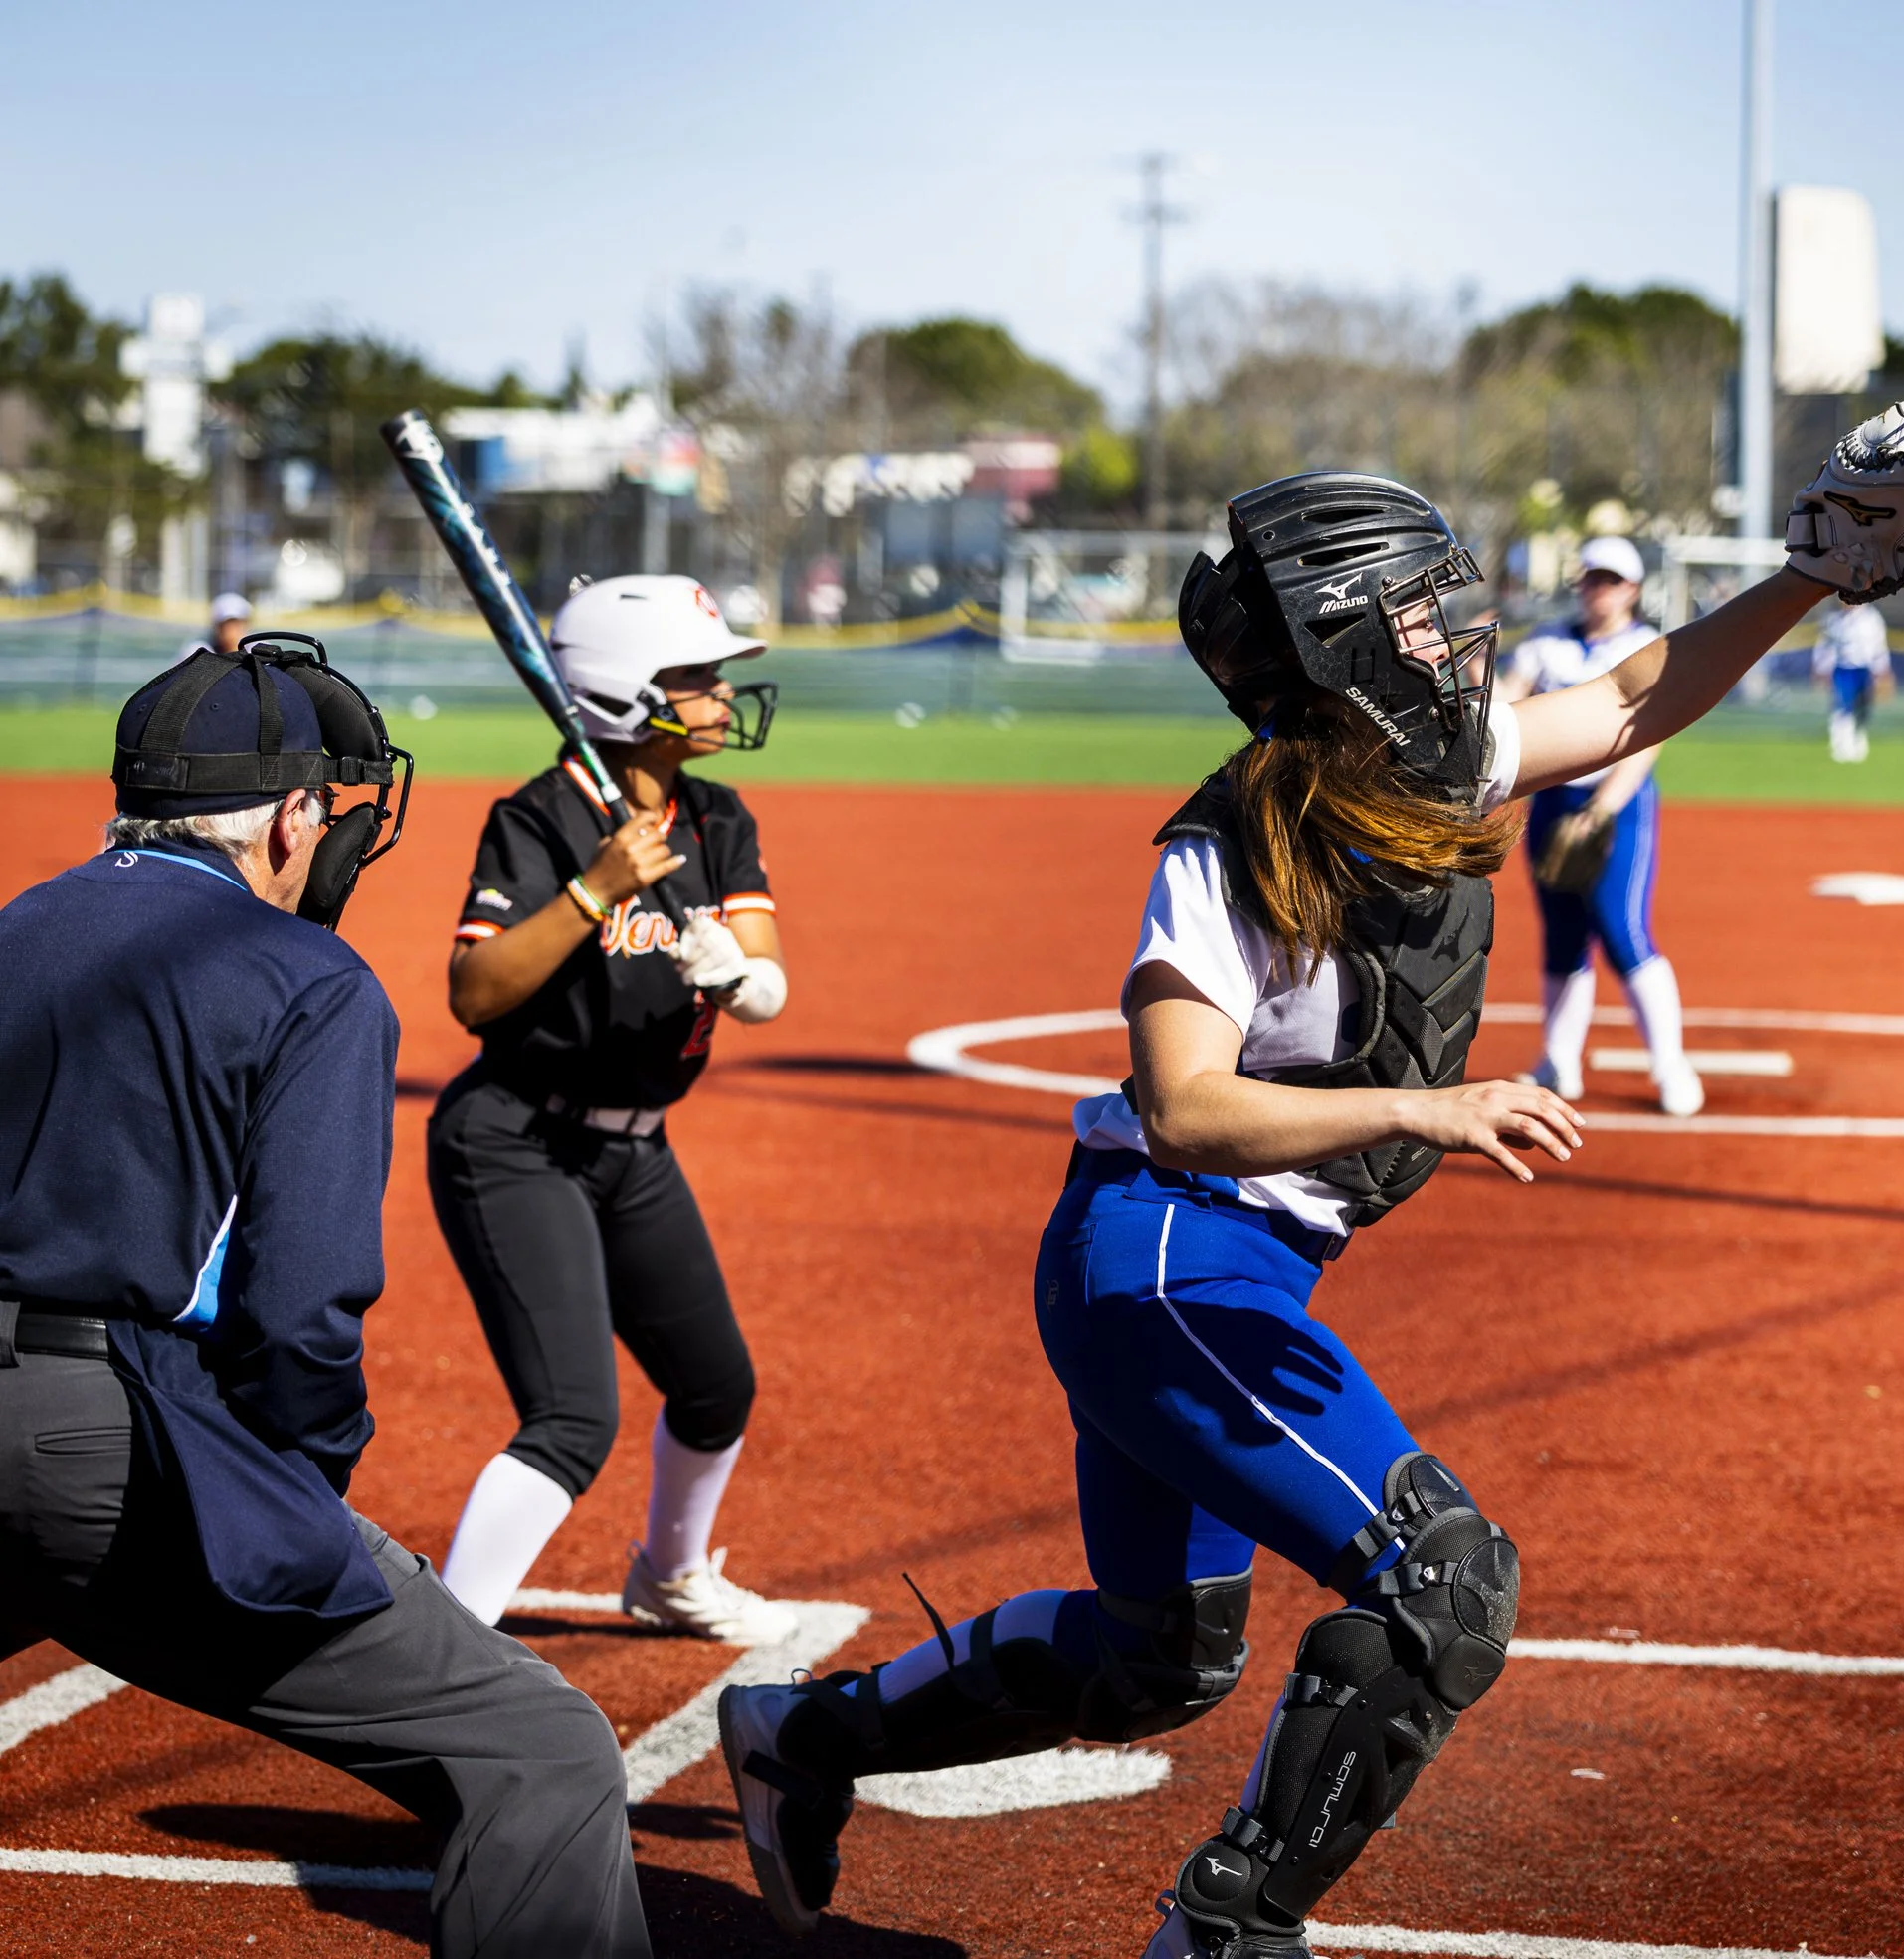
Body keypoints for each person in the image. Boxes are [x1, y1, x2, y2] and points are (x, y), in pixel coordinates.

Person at [715, 473, 1841, 1955]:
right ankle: (1228, 1926)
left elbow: (1638, 693)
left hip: (1224, 1267)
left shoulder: (1434, 759)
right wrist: (1419, 1107)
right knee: (1447, 1581)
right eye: (1425, 611)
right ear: (1343, 650)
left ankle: (802, 1740)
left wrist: (1815, 572)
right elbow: (1181, 1100)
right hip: (1166, 1261)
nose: (1465, 629)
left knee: (1155, 1660)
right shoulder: (1229, 842)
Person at [0, 635, 650, 1959]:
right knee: (537, 1748)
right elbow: (302, 1311)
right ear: (293, 815)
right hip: (92, 1437)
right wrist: (298, 1488)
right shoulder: (310, 979)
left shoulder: (16, 923)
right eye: (334, 812)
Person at [432, 574, 800, 1645]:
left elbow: (771, 983)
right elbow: (473, 992)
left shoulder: (716, 818)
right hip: (514, 1139)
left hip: (635, 1148)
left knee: (715, 1385)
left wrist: (736, 973)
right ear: (624, 693)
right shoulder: (539, 820)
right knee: (571, 1420)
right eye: (695, 676)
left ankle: (669, 1574)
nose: (722, 694)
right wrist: (592, 891)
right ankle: (444, 1653)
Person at [1502, 534, 1704, 1117]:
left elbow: (1649, 739)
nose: (1598, 589)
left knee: (1622, 932)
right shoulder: (1545, 643)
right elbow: (1507, 706)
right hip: (1552, 805)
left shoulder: (1645, 647)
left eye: (1611, 580)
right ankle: (1558, 1060)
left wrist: (1602, 809)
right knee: (1563, 932)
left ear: (1633, 590)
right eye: (1592, 577)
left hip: (1619, 807)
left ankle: (1671, 1064)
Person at [1813, 596, 1891, 761]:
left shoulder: (1872, 618)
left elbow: (1879, 645)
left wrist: (1882, 669)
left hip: (1864, 668)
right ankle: (1841, 744)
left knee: (1863, 707)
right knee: (1842, 705)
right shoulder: (1834, 619)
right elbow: (1825, 645)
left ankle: (1859, 739)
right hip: (1843, 668)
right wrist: (1822, 667)